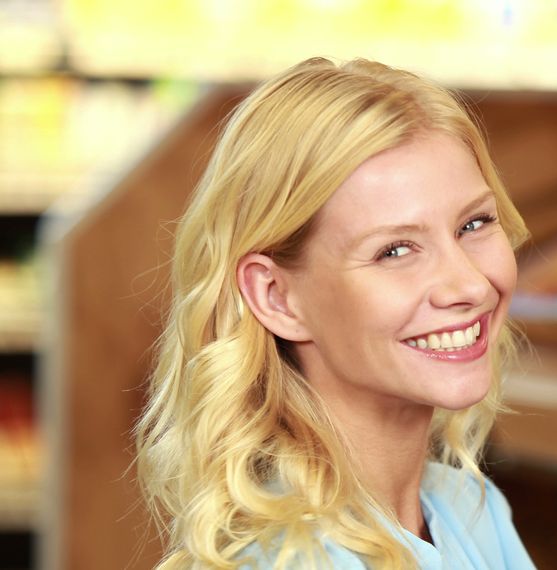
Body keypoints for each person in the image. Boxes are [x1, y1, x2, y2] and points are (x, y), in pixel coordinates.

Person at [134, 57, 536, 569]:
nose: (470, 284)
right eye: (395, 251)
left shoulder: (468, 509)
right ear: (277, 297)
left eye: (474, 224)